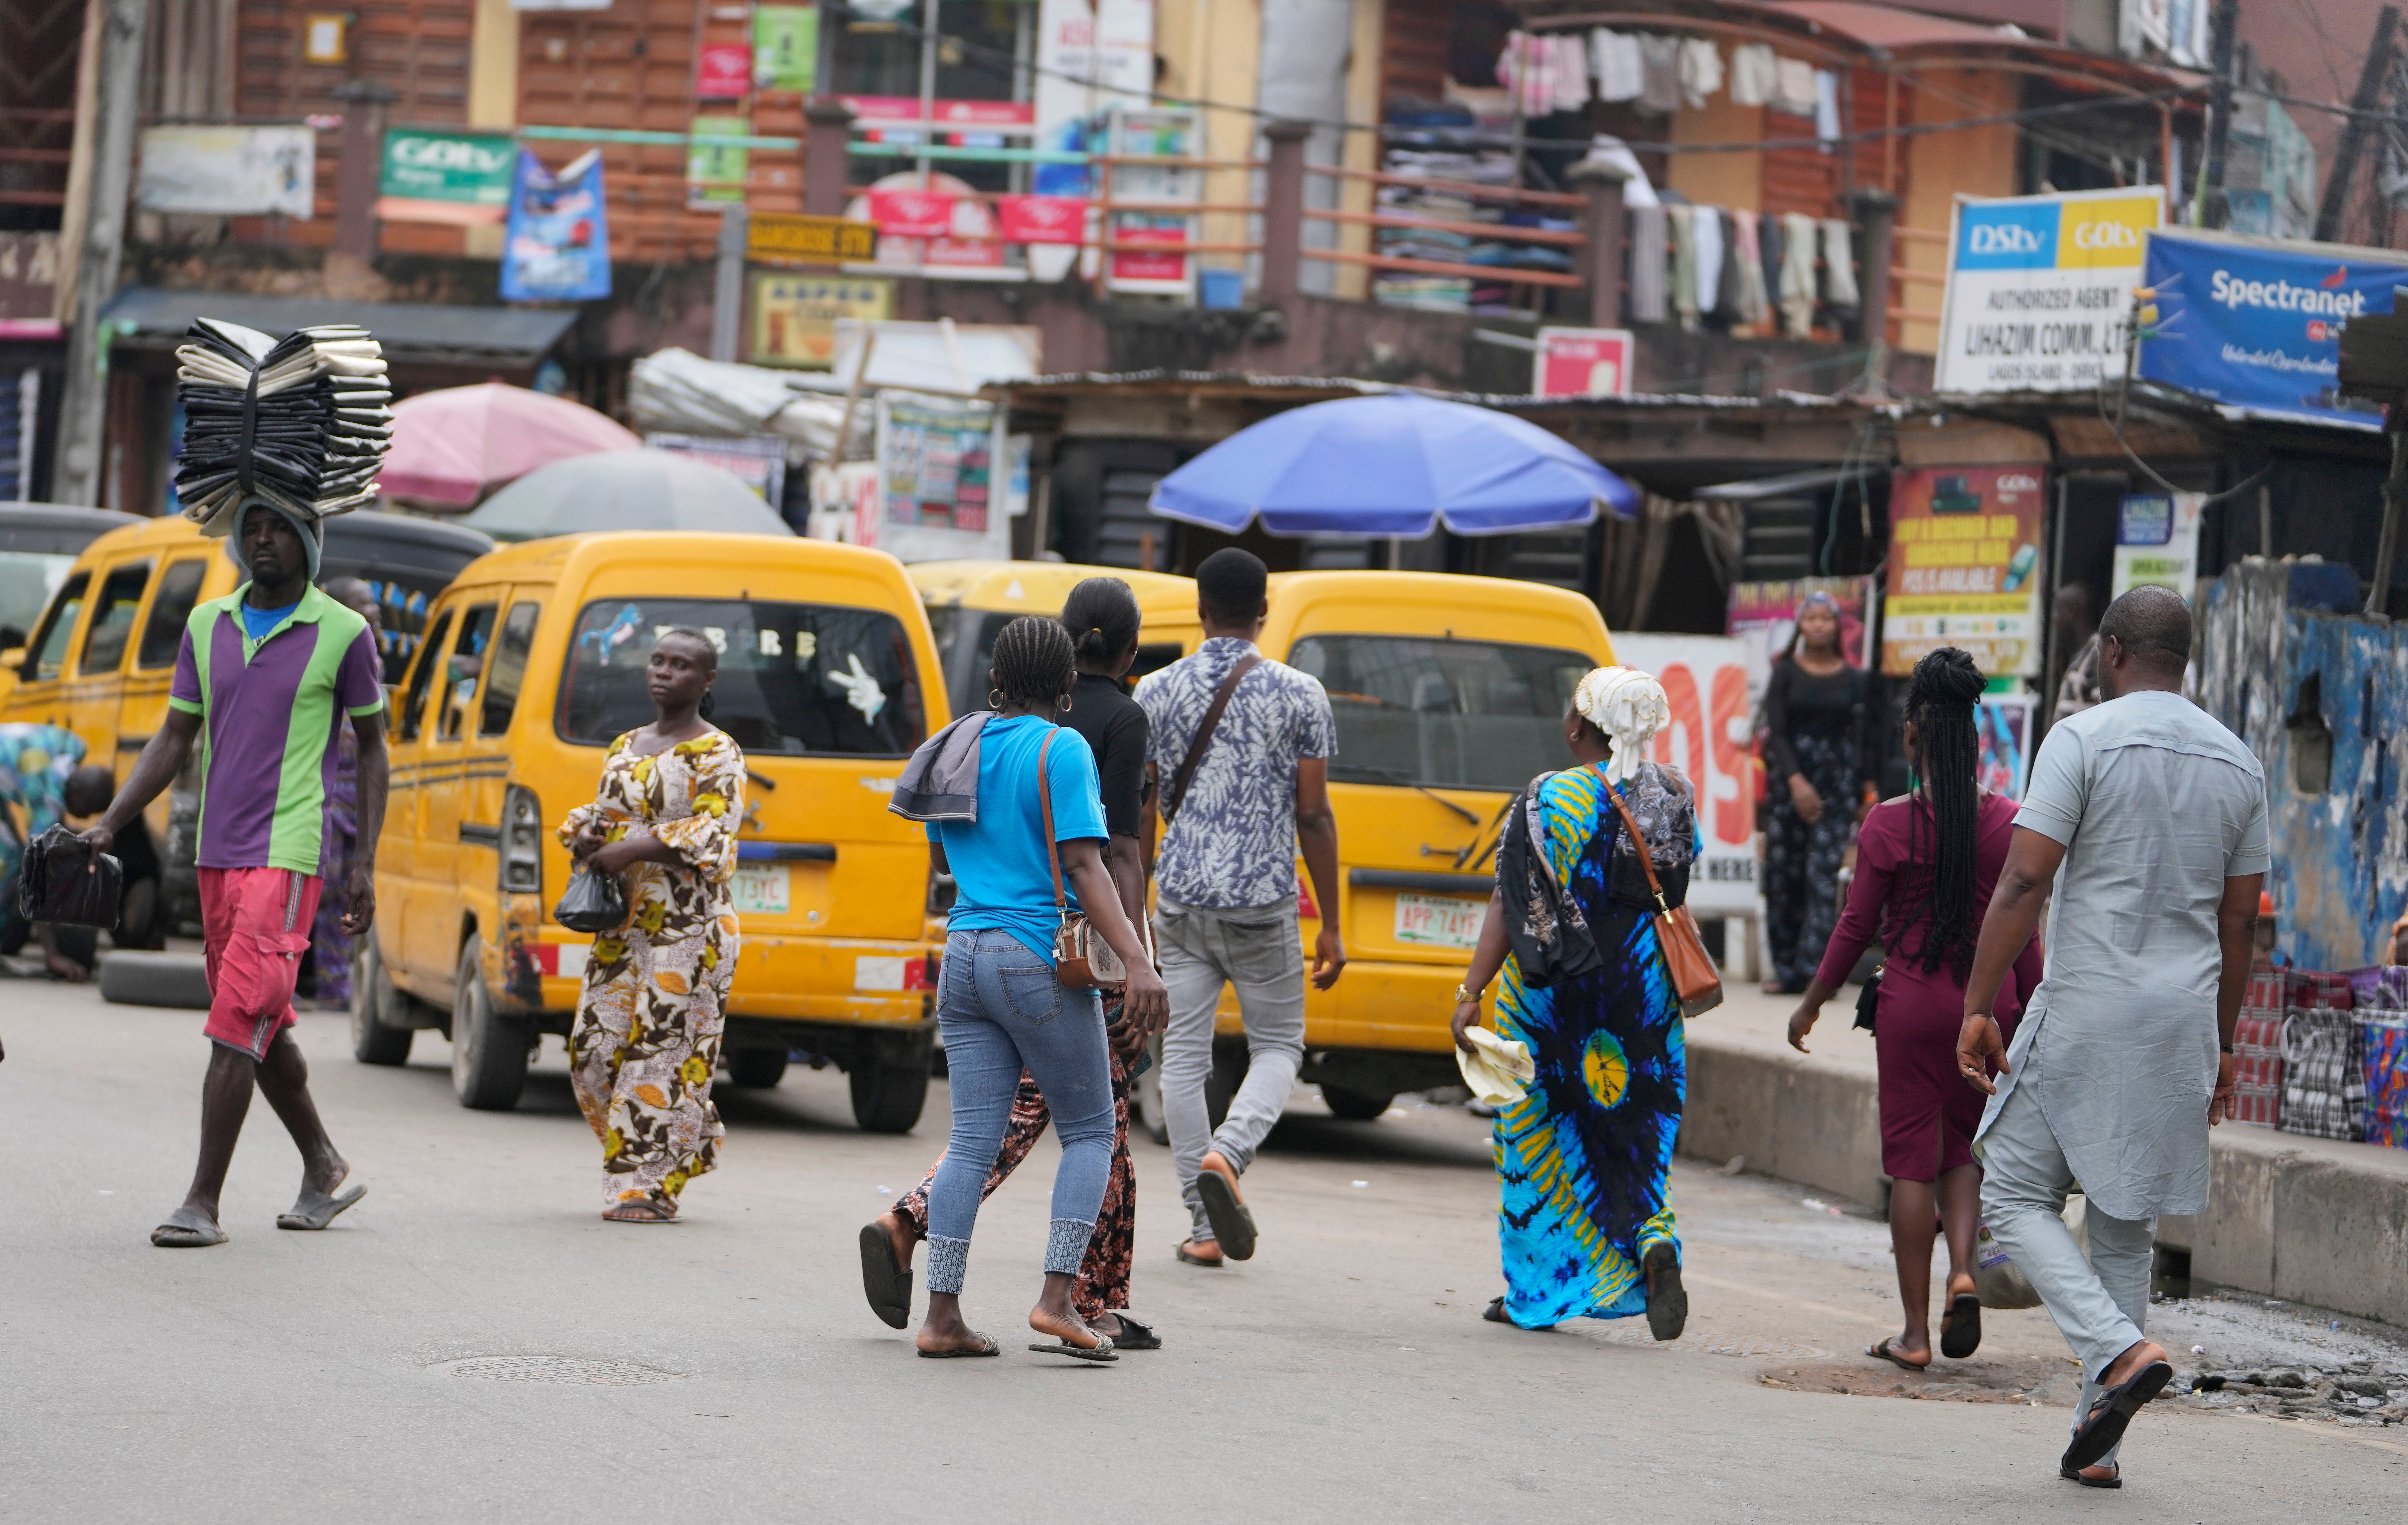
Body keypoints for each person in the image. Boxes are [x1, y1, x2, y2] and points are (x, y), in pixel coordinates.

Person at [1956, 585, 2267, 1488]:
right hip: (2178, 1023)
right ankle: (2102, 1445)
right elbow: (2238, 927)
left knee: (2011, 1193)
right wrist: (2221, 1045)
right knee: (2123, 1225)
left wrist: (1979, 1006)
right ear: (2186, 659)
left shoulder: (2081, 738)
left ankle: (2118, 1352)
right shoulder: (2237, 763)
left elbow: (2021, 884)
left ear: (2108, 651)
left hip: (2089, 1007)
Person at [80, 500, 387, 1248]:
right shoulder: (206, 624)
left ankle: (201, 1202)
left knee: (235, 1022)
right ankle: (323, 1164)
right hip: (217, 852)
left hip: (288, 854)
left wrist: (364, 865)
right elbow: (175, 735)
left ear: (309, 542)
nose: (262, 540)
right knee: (258, 1021)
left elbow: (374, 750)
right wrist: (110, 823)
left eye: (279, 528)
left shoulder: (343, 632)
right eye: (252, 528)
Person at [866, 578, 1162, 1348]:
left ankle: (941, 1317)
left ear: (997, 677)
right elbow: (1089, 866)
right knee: (1092, 1128)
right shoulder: (1060, 747)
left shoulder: (958, 739)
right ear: (1066, 683)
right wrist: (1137, 960)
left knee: (969, 1141)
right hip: (1032, 957)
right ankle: (1057, 1300)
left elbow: (939, 845)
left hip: (961, 956)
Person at [1785, 648, 2042, 1370]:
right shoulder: (2010, 824)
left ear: (1910, 738)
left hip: (1910, 1005)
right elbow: (2022, 928)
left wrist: (1811, 1004)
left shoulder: (1887, 825)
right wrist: (2032, 1011)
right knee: (1964, 1150)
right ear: (1977, 737)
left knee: (1910, 1165)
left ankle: (1915, 1333)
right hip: (1987, 1010)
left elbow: (1854, 926)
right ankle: (1964, 1270)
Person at [1450, 667, 1695, 1336]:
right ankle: (1654, 1238)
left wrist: (1471, 993)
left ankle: (1538, 1291)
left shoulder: (1545, 799)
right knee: (1635, 1129)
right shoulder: (1674, 793)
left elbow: (1509, 900)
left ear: (1576, 727)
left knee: (1535, 1138)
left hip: (1552, 997)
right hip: (1643, 996)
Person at [1136, 547, 1343, 1268]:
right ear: (1264, 613)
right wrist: (1335, 926)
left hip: (1182, 898)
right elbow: (1313, 815)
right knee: (1280, 1044)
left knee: (1183, 1063)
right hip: (1262, 901)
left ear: (1199, 610)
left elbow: (1141, 809)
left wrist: (1139, 908)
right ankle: (1229, 1154)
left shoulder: (1155, 691)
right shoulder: (1301, 694)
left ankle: (1201, 1224)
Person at [558, 629, 746, 1224]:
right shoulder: (625, 744)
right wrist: (588, 836)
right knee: (592, 1050)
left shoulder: (720, 752)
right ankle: (688, 1133)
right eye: (659, 661)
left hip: (690, 929)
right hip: (623, 924)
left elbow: (714, 834)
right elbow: (604, 814)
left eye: (682, 665)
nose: (665, 672)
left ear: (706, 680)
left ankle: (643, 1185)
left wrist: (633, 847)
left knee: (660, 1056)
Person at [1761, 591, 1874, 994]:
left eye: (1826, 618)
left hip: (1836, 783)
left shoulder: (1854, 678)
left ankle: (1817, 972)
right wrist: (1795, 782)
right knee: (1782, 874)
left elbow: (1863, 736)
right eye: (1811, 618)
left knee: (1822, 876)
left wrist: (1866, 790)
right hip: (1789, 780)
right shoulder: (1785, 672)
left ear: (1837, 626)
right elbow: (1776, 731)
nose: (1818, 625)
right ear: (1800, 625)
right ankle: (1785, 968)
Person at [308, 578, 384, 1010]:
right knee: (329, 893)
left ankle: (342, 982)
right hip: (332, 802)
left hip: (362, 804)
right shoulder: (328, 657)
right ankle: (330, 984)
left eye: (374, 604)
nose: (374, 611)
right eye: (363, 605)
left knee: (355, 893)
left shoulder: (373, 662)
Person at [0, 724, 115, 979]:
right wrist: (52, 954)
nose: (85, 818)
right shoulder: (46, 797)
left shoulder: (75, 747)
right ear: (74, 793)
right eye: (86, 811)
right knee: (6, 863)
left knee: (14, 853)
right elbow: (36, 875)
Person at [2051, 583, 2101, 722]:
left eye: (2058, 611)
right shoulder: (2081, 654)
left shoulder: (2098, 652)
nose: (2055, 618)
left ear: (2073, 611)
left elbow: (2102, 704)